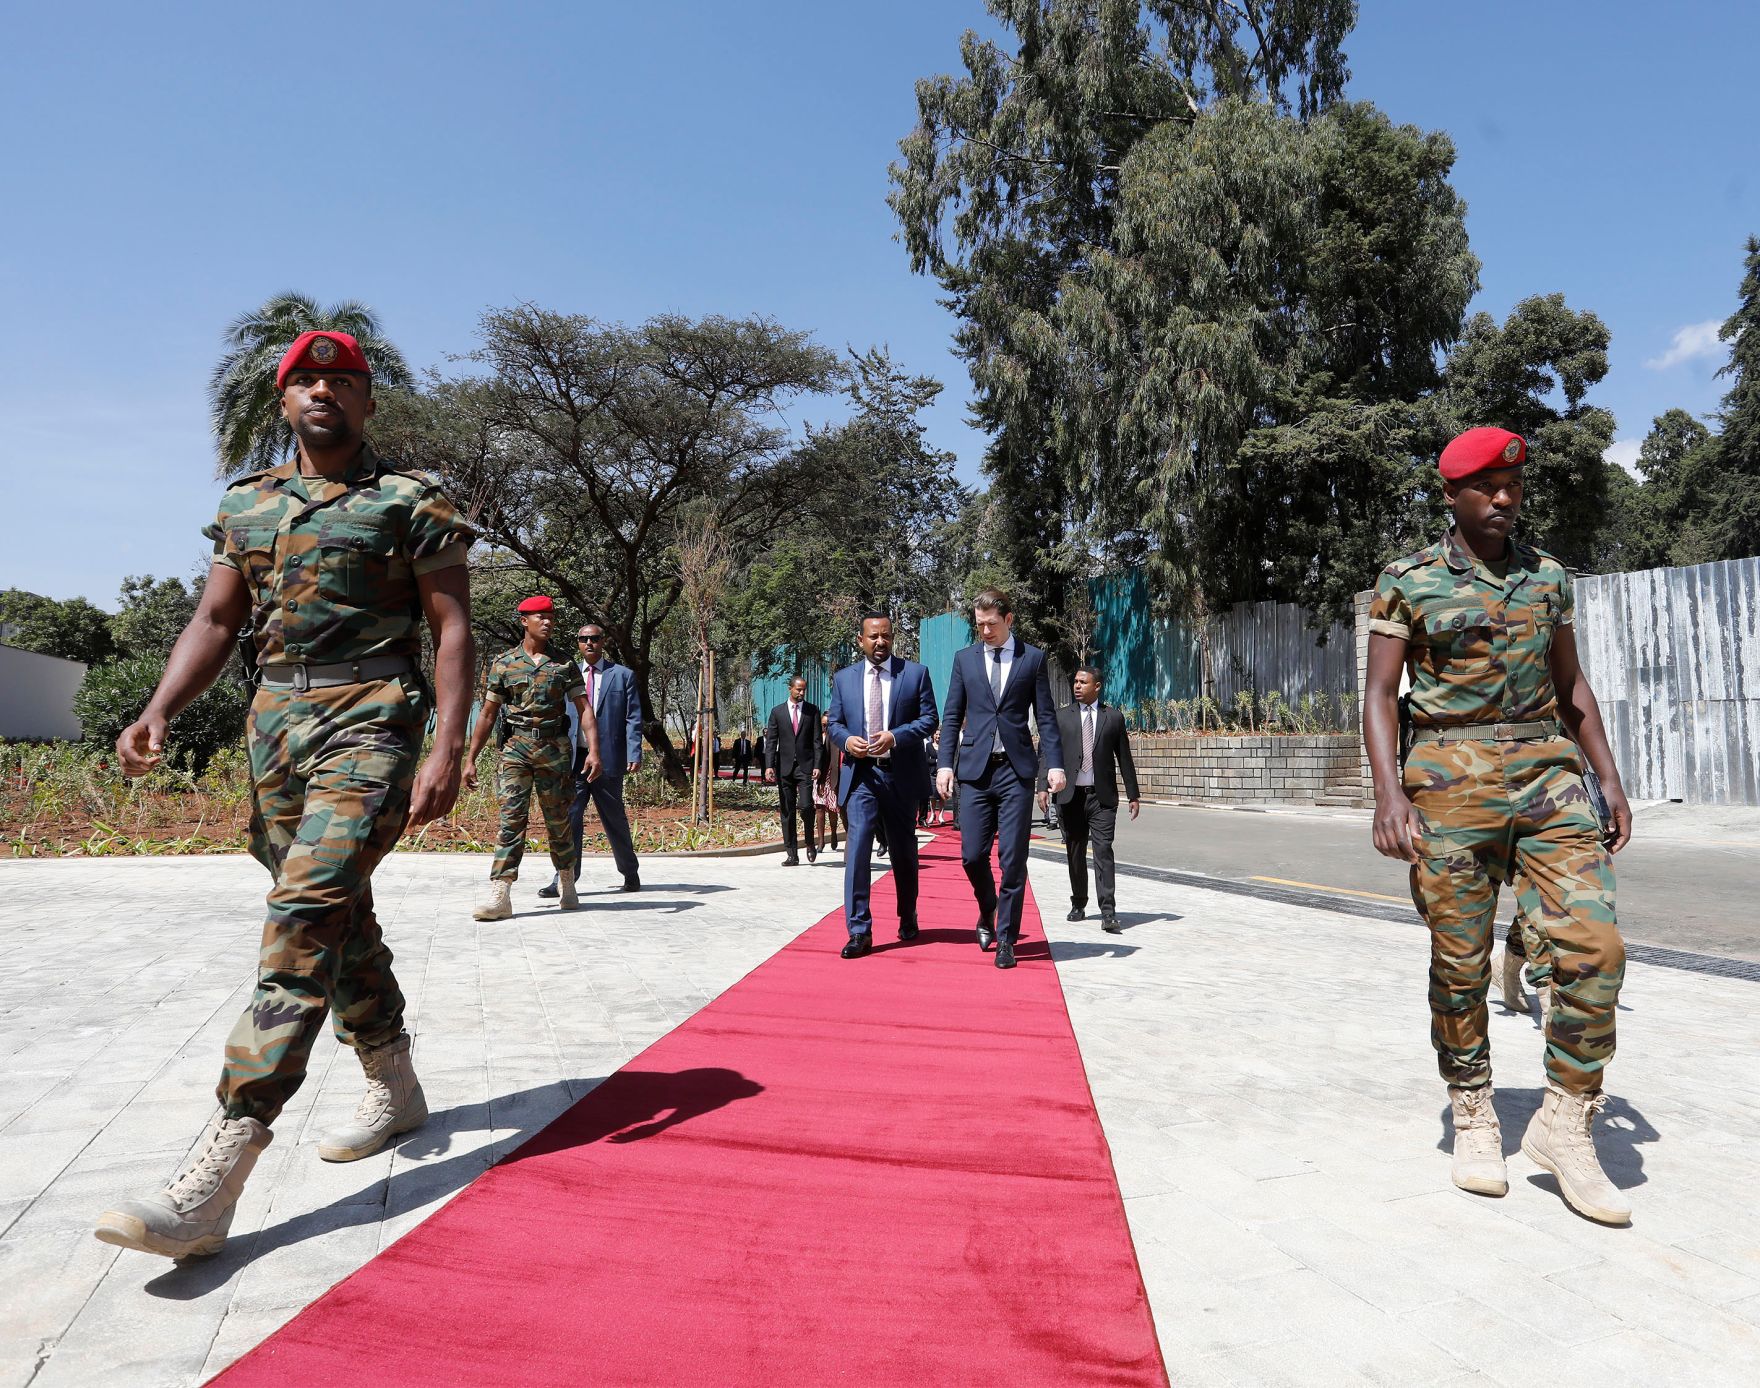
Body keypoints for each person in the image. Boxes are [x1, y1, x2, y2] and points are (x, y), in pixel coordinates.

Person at [94, 330, 476, 1261]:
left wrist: (448, 744)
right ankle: (393, 1079)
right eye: (306, 380)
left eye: (343, 381)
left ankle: (222, 1162)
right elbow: (217, 618)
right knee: (337, 910)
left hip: (371, 715)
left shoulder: (408, 498)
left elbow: (453, 626)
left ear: (367, 403)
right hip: (275, 726)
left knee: (303, 915)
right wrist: (159, 709)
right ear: (282, 401)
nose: (323, 393)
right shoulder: (248, 503)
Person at [1365, 425, 1634, 1225]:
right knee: (1461, 959)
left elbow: (1571, 682)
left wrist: (1609, 776)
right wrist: (1390, 795)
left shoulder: (1548, 578)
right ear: (1452, 495)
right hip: (1450, 779)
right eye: (1486, 488)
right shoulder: (1408, 579)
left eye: (1513, 488)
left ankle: (1565, 1119)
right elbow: (1381, 695)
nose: (1505, 500)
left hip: (1550, 775)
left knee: (1594, 944)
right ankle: (1474, 1106)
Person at [937, 589, 1065, 970]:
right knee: (971, 855)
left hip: (1016, 772)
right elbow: (951, 715)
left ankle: (1007, 938)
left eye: (992, 624)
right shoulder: (965, 660)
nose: (986, 631)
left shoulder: (1033, 659)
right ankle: (987, 906)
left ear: (1009, 620)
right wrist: (945, 764)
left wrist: (1053, 765)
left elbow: (1045, 716)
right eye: (980, 625)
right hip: (974, 771)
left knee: (1013, 860)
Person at [464, 597, 601, 920]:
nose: (548, 622)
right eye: (540, 617)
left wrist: (594, 750)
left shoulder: (564, 663)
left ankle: (567, 881)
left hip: (554, 750)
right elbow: (487, 714)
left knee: (559, 821)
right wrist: (470, 759)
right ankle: (501, 893)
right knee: (511, 820)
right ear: (524, 620)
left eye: (551, 617)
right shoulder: (504, 663)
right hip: (516, 749)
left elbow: (584, 710)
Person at [826, 612, 939, 957]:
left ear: (893, 639)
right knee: (857, 851)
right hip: (862, 777)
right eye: (873, 636)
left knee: (904, 854)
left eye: (886, 636)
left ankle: (908, 914)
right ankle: (859, 931)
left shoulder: (915, 674)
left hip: (900, 776)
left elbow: (929, 718)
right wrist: (846, 742)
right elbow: (835, 723)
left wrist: (895, 736)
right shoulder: (844, 679)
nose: (880, 642)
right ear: (860, 640)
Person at [539, 622, 644, 897]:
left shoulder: (622, 676)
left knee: (614, 817)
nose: (589, 643)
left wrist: (634, 751)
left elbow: (633, 718)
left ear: (603, 641)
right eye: (583, 638)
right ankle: (565, 878)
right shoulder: (565, 675)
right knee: (569, 818)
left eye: (594, 638)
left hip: (608, 758)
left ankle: (630, 872)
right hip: (574, 759)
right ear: (577, 642)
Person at [1038, 662, 1140, 933]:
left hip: (1102, 798)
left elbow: (1124, 758)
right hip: (1070, 797)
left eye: (1083, 682)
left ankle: (1108, 911)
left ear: (1097, 686)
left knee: (1104, 851)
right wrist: (1041, 787)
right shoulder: (1061, 718)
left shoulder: (1113, 717)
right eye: (1075, 682)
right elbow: (1047, 754)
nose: (1077, 686)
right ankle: (1078, 902)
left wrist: (1133, 794)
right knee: (1075, 851)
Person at [764, 676, 822, 864]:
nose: (801, 693)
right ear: (790, 689)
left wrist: (817, 765)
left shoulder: (812, 711)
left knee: (806, 806)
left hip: (805, 767)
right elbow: (771, 742)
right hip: (785, 768)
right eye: (798, 689)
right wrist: (769, 766)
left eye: (804, 689)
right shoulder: (777, 712)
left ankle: (810, 843)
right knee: (787, 810)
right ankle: (792, 853)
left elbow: (817, 742)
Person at [814, 713, 845, 853]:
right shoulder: (816, 737)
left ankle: (833, 833)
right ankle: (820, 841)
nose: (825, 727)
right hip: (819, 777)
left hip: (832, 777)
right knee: (819, 807)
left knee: (832, 808)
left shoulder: (835, 737)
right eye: (823, 724)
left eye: (828, 724)